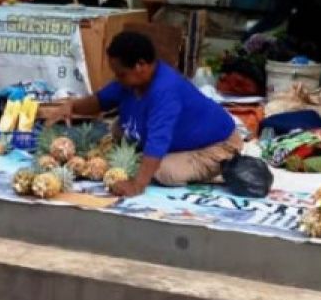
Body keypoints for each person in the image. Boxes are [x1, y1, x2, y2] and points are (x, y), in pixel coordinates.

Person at [44, 31, 239, 196]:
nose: (118, 79)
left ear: (140, 65)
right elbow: (101, 100)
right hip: (176, 136)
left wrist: (137, 184)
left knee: (164, 172)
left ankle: (223, 166)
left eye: (121, 74)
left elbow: (158, 140)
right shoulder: (131, 81)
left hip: (217, 145)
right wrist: (72, 106)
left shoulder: (164, 91)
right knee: (118, 128)